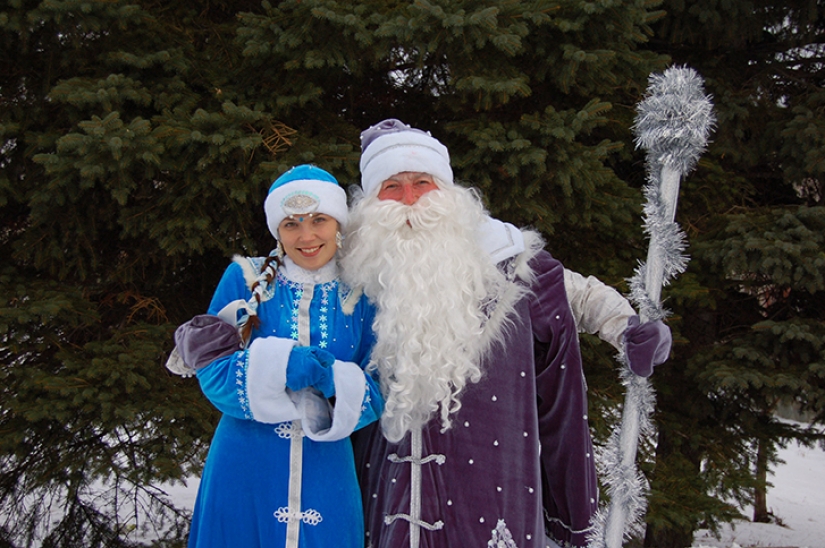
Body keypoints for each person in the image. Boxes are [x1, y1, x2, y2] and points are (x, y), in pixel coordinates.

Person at [341, 120, 672, 548]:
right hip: (383, 495)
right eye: (392, 187)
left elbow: (580, 295)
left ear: (446, 190)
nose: (410, 200)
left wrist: (630, 329)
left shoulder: (506, 260)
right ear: (372, 200)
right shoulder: (355, 269)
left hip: (490, 490)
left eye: (422, 182)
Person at [169, 165, 384, 548]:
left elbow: (380, 386)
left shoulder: (364, 292)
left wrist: (332, 378)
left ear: (339, 223)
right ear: (277, 230)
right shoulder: (244, 279)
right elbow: (214, 373)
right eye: (291, 224)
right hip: (244, 466)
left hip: (327, 470)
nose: (307, 236)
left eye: (319, 220)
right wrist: (282, 365)